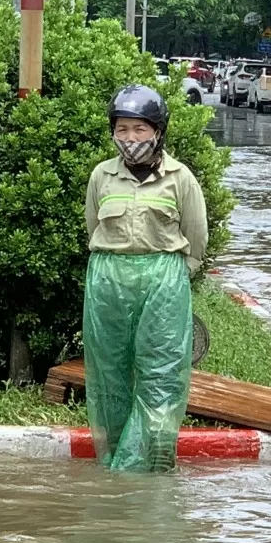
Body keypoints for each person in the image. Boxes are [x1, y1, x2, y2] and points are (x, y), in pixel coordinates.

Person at [83, 85, 208, 473]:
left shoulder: (180, 178)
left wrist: (173, 277)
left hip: (163, 281)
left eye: (140, 129)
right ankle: (115, 457)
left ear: (158, 131)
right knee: (109, 373)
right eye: (122, 130)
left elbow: (197, 236)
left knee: (162, 371)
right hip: (109, 281)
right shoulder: (102, 176)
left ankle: (152, 460)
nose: (130, 139)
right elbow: (92, 226)